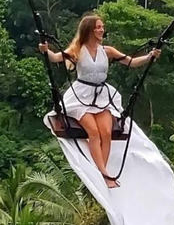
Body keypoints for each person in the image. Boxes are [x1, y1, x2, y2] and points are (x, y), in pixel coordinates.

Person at [40, 14, 160, 188]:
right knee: (94, 132)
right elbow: (55, 58)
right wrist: (46, 50)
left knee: (106, 132)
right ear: (89, 29)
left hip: (102, 96)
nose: (101, 29)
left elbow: (131, 62)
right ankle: (105, 175)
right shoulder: (77, 50)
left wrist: (149, 56)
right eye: (98, 27)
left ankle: (100, 172)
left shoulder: (107, 51)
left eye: (102, 26)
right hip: (81, 97)